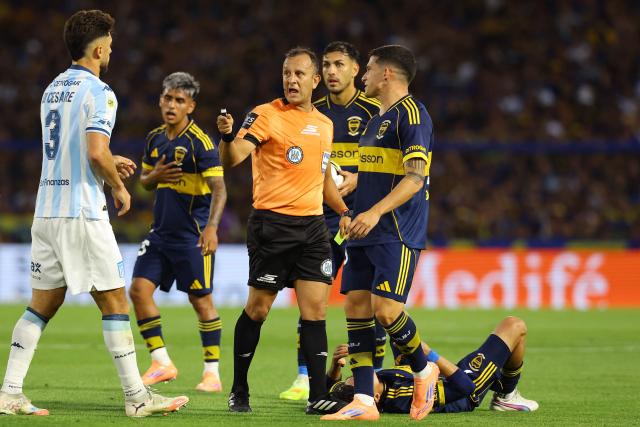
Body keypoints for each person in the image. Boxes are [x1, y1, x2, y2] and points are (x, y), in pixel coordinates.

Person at [0, 10, 188, 417]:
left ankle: (9, 392)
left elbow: (77, 150)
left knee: (42, 305)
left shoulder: (52, 88)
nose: (112, 51)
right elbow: (94, 151)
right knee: (116, 300)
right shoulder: (100, 91)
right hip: (81, 213)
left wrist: (107, 160)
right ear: (100, 48)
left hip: (46, 212)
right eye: (111, 45)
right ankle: (137, 399)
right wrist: (118, 185)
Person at [216, 47, 351, 413]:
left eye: (299, 74)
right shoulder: (265, 115)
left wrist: (342, 210)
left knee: (316, 312)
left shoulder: (325, 125)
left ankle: (317, 394)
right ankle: (239, 387)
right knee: (258, 309)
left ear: (314, 80)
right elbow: (234, 158)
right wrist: (228, 138)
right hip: (272, 226)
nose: (291, 80)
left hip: (312, 229)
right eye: (287, 74)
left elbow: (323, 179)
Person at [321, 45, 437, 421]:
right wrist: (351, 210)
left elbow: (415, 178)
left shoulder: (413, 115)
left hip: (396, 230)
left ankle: (424, 369)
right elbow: (371, 178)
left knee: (386, 312)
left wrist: (373, 212)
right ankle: (364, 401)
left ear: (386, 73)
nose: (364, 76)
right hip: (364, 228)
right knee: (355, 307)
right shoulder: (376, 121)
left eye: (368, 70)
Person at [279, 41, 385, 402]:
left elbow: (391, 163)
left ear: (356, 70)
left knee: (371, 299)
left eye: (339, 64)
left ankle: (375, 377)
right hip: (323, 219)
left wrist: (359, 178)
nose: (331, 72)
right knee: (313, 295)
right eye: (326, 65)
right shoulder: (312, 112)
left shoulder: (376, 110)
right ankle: (303, 376)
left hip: (368, 221)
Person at [129, 72, 227, 393]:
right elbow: (144, 183)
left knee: (201, 301)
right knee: (139, 291)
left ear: (191, 106)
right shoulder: (155, 138)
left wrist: (212, 228)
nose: (172, 105)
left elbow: (220, 189)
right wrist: (154, 174)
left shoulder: (201, 142)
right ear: (161, 100)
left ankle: (211, 373)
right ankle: (161, 362)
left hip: (191, 238)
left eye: (180, 101)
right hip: (159, 235)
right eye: (168, 99)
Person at [313, 316, 539, 415]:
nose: (357, 373)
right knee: (514, 325)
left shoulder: (369, 388)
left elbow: (323, 395)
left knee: (395, 324)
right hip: (461, 386)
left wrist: (334, 366)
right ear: (375, 399)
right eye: (357, 379)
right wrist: (430, 354)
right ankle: (506, 396)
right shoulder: (404, 396)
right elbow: (465, 387)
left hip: (414, 373)